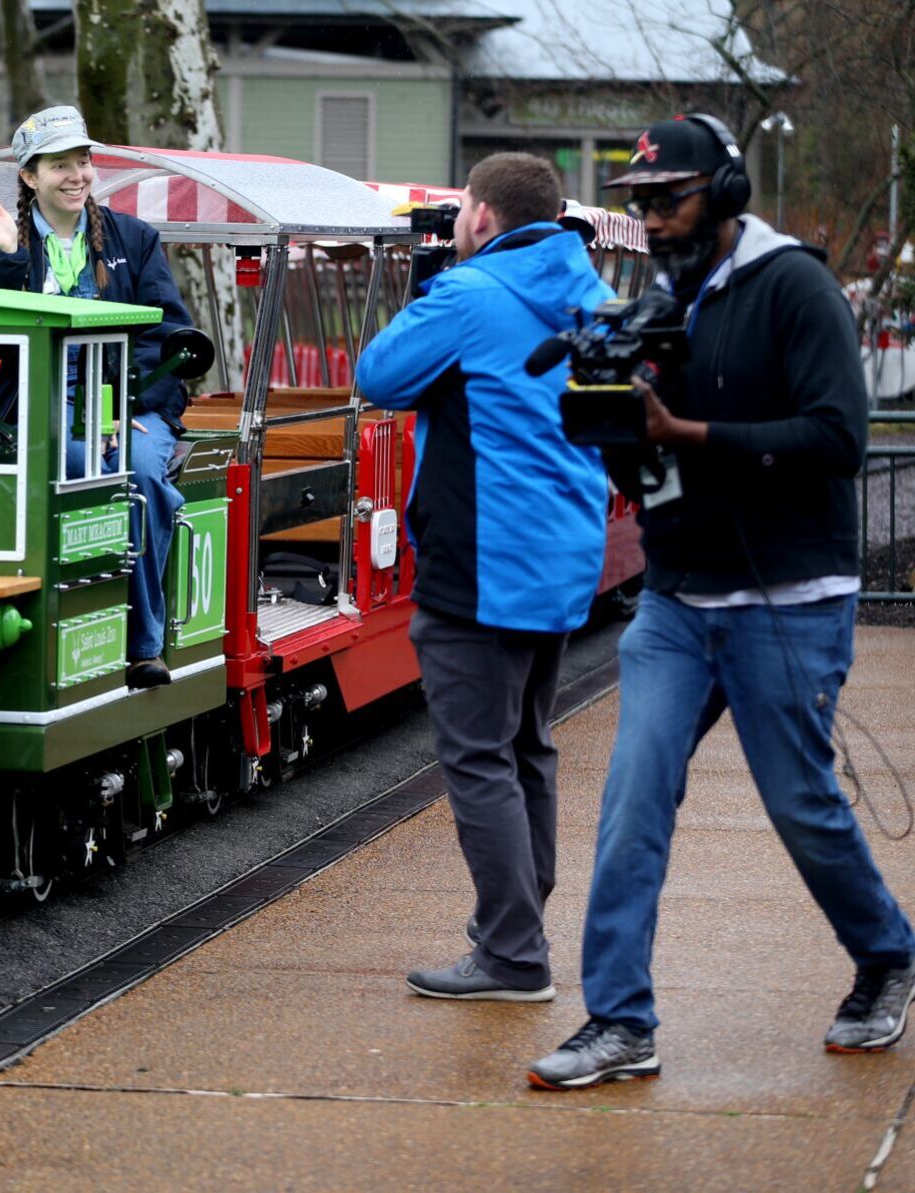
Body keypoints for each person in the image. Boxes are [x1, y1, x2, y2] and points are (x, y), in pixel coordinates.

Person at [528, 115, 915, 1090]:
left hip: (787, 595)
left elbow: (836, 439)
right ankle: (619, 1020)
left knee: (797, 802)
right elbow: (647, 450)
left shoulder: (794, 286)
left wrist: (685, 430)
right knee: (628, 799)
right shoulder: (660, 298)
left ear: (727, 192)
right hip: (674, 601)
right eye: (639, 205)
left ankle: (883, 952)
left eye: (670, 200)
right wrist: (618, 428)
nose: (652, 221)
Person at [354, 152, 613, 1002]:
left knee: (476, 756)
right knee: (528, 744)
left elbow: (378, 376)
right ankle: (520, 918)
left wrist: (435, 286)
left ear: (484, 217)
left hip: (481, 559)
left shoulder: (468, 297)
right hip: (560, 558)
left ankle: (511, 954)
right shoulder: (591, 292)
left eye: (462, 208)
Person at [0, 106, 193, 690]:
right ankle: (66, 622)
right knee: (77, 460)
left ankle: (143, 644)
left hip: (133, 406)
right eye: (59, 164)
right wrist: (6, 256)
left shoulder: (135, 239)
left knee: (135, 471)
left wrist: (124, 404)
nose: (77, 175)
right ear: (29, 176)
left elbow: (170, 338)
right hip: (40, 405)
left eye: (83, 161)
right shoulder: (2, 247)